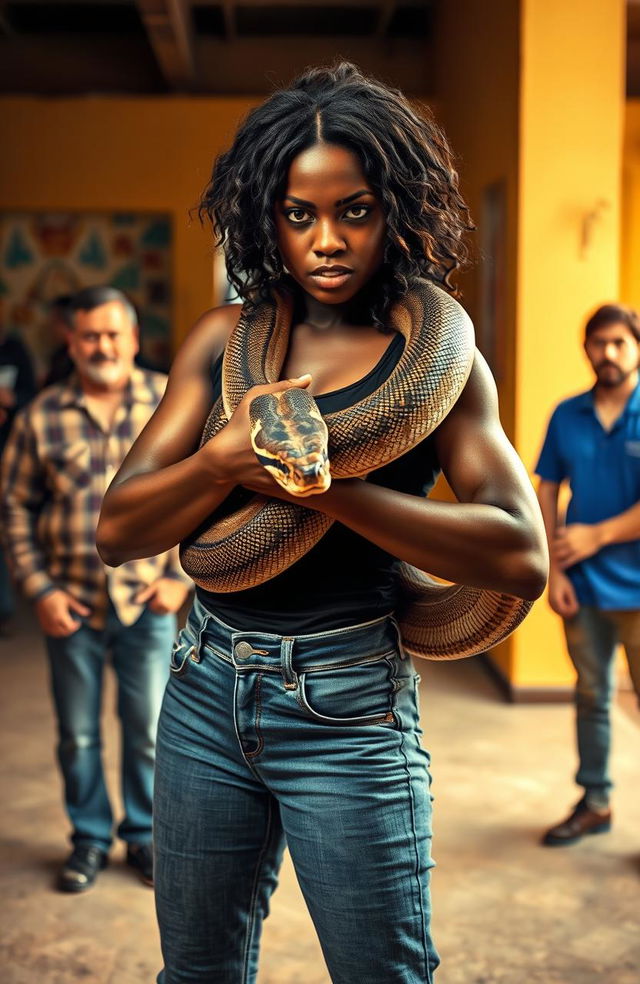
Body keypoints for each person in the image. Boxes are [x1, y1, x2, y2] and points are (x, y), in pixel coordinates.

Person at [97, 64, 547, 983]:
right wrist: (225, 457)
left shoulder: (440, 360)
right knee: (196, 973)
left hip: (349, 704)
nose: (328, 241)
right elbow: (119, 529)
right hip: (203, 687)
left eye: (356, 211)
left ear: (399, 211)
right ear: (266, 216)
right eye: (300, 215)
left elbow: (519, 553)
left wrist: (321, 484)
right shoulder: (223, 343)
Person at [0, 285, 191, 893]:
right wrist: (40, 591)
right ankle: (87, 839)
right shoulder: (40, 416)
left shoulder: (172, 403)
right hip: (72, 604)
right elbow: (13, 509)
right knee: (77, 733)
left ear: (133, 339)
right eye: (89, 336)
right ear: (71, 341)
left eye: (113, 334)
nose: (101, 346)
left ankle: (144, 837)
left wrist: (179, 578)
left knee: (150, 730)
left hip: (147, 600)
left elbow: (207, 498)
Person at [536, 303, 640, 847]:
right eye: (600, 343)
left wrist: (595, 535)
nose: (609, 353)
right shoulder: (567, 414)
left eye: (620, 343)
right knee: (591, 697)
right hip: (584, 585)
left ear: (636, 347)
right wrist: (554, 572)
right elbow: (547, 488)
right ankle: (595, 801)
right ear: (587, 348)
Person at [0, 322, 37, 630]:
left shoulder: (15, 349)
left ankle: (4, 606)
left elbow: (29, 392)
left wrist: (10, 402)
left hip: (7, 445)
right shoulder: (44, 415)